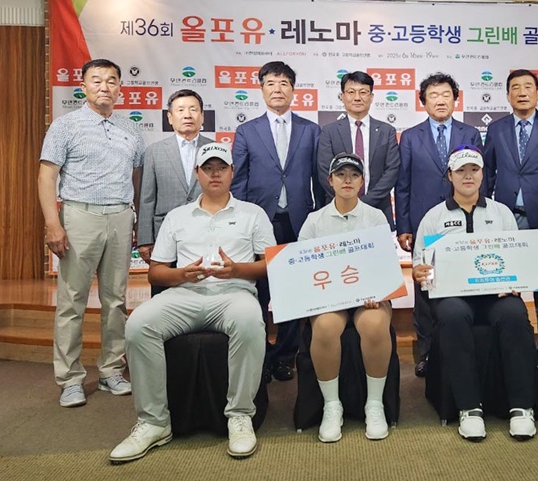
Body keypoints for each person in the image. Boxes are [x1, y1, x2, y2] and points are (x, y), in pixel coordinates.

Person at [109, 142, 275, 463]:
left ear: (232, 172)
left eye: (221, 168)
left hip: (234, 295)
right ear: (197, 173)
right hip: (184, 295)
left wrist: (237, 270)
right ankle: (154, 422)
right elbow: (156, 273)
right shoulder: (177, 216)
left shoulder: (253, 214)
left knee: (249, 321)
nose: (215, 174)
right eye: (207, 168)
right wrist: (181, 274)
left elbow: (270, 263)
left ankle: (240, 415)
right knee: (139, 325)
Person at [38, 58, 145, 407]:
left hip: (120, 216)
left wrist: (136, 219)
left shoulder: (132, 129)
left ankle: (112, 370)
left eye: (111, 80)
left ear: (120, 88)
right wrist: (53, 223)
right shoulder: (65, 125)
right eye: (96, 80)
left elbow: (137, 178)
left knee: (116, 300)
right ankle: (69, 378)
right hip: (78, 216)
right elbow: (46, 176)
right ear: (83, 86)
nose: (104, 86)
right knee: (72, 300)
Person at [412, 145, 537, 442]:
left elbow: (517, 257)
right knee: (452, 315)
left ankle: (522, 407)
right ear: (450, 176)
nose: (468, 176)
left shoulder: (501, 212)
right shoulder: (433, 216)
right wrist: (421, 273)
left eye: (474, 170)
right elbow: (420, 263)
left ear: (483, 174)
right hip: (453, 297)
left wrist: (516, 281)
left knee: (515, 314)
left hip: (496, 296)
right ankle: (469, 408)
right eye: (461, 171)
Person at [232, 61, 323, 383]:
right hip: (260, 221)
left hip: (298, 221)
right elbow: (238, 181)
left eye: (284, 83)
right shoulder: (247, 131)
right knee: (258, 290)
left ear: (293, 90)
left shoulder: (311, 130)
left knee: (292, 293)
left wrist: (320, 219)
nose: (277, 89)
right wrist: (240, 222)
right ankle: (258, 354)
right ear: (261, 89)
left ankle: (285, 356)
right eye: (271, 83)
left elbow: (319, 180)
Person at [298, 153, 392, 443]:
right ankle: (332, 405)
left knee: (374, 324)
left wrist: (377, 291)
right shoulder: (314, 221)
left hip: (370, 298)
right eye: (341, 175)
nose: (347, 180)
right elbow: (302, 269)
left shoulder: (376, 217)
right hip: (330, 300)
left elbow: (385, 265)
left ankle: (374, 404)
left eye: (354, 175)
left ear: (363, 181)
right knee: (326, 327)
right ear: (330, 180)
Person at [395, 72, 483, 377]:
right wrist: (404, 226)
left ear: (456, 99)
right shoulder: (410, 136)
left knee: (464, 281)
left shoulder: (470, 133)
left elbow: (479, 179)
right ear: (423, 101)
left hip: (463, 222)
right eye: (433, 95)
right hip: (425, 224)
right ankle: (428, 352)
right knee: (426, 285)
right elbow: (402, 184)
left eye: (446, 94)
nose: (440, 100)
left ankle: (464, 347)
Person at [482, 69, 538, 370]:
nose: (522, 92)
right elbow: (488, 172)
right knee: (505, 284)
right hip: (506, 217)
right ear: (507, 95)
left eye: (528, 87)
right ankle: (511, 348)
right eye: (515, 88)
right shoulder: (496, 128)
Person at [137, 89, 214, 296]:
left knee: (205, 290)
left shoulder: (215, 149)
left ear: (202, 116)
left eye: (193, 109)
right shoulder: (154, 151)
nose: (187, 115)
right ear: (170, 118)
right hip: (164, 234)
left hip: (206, 232)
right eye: (180, 110)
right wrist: (144, 239)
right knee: (163, 294)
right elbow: (146, 198)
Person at [317, 71, 400, 230]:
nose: (357, 97)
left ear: (371, 97)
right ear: (342, 96)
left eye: (363, 92)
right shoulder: (329, 131)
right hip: (338, 211)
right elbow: (324, 171)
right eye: (351, 92)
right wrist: (348, 201)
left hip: (377, 210)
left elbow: (392, 171)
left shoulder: (386, 131)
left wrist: (364, 204)